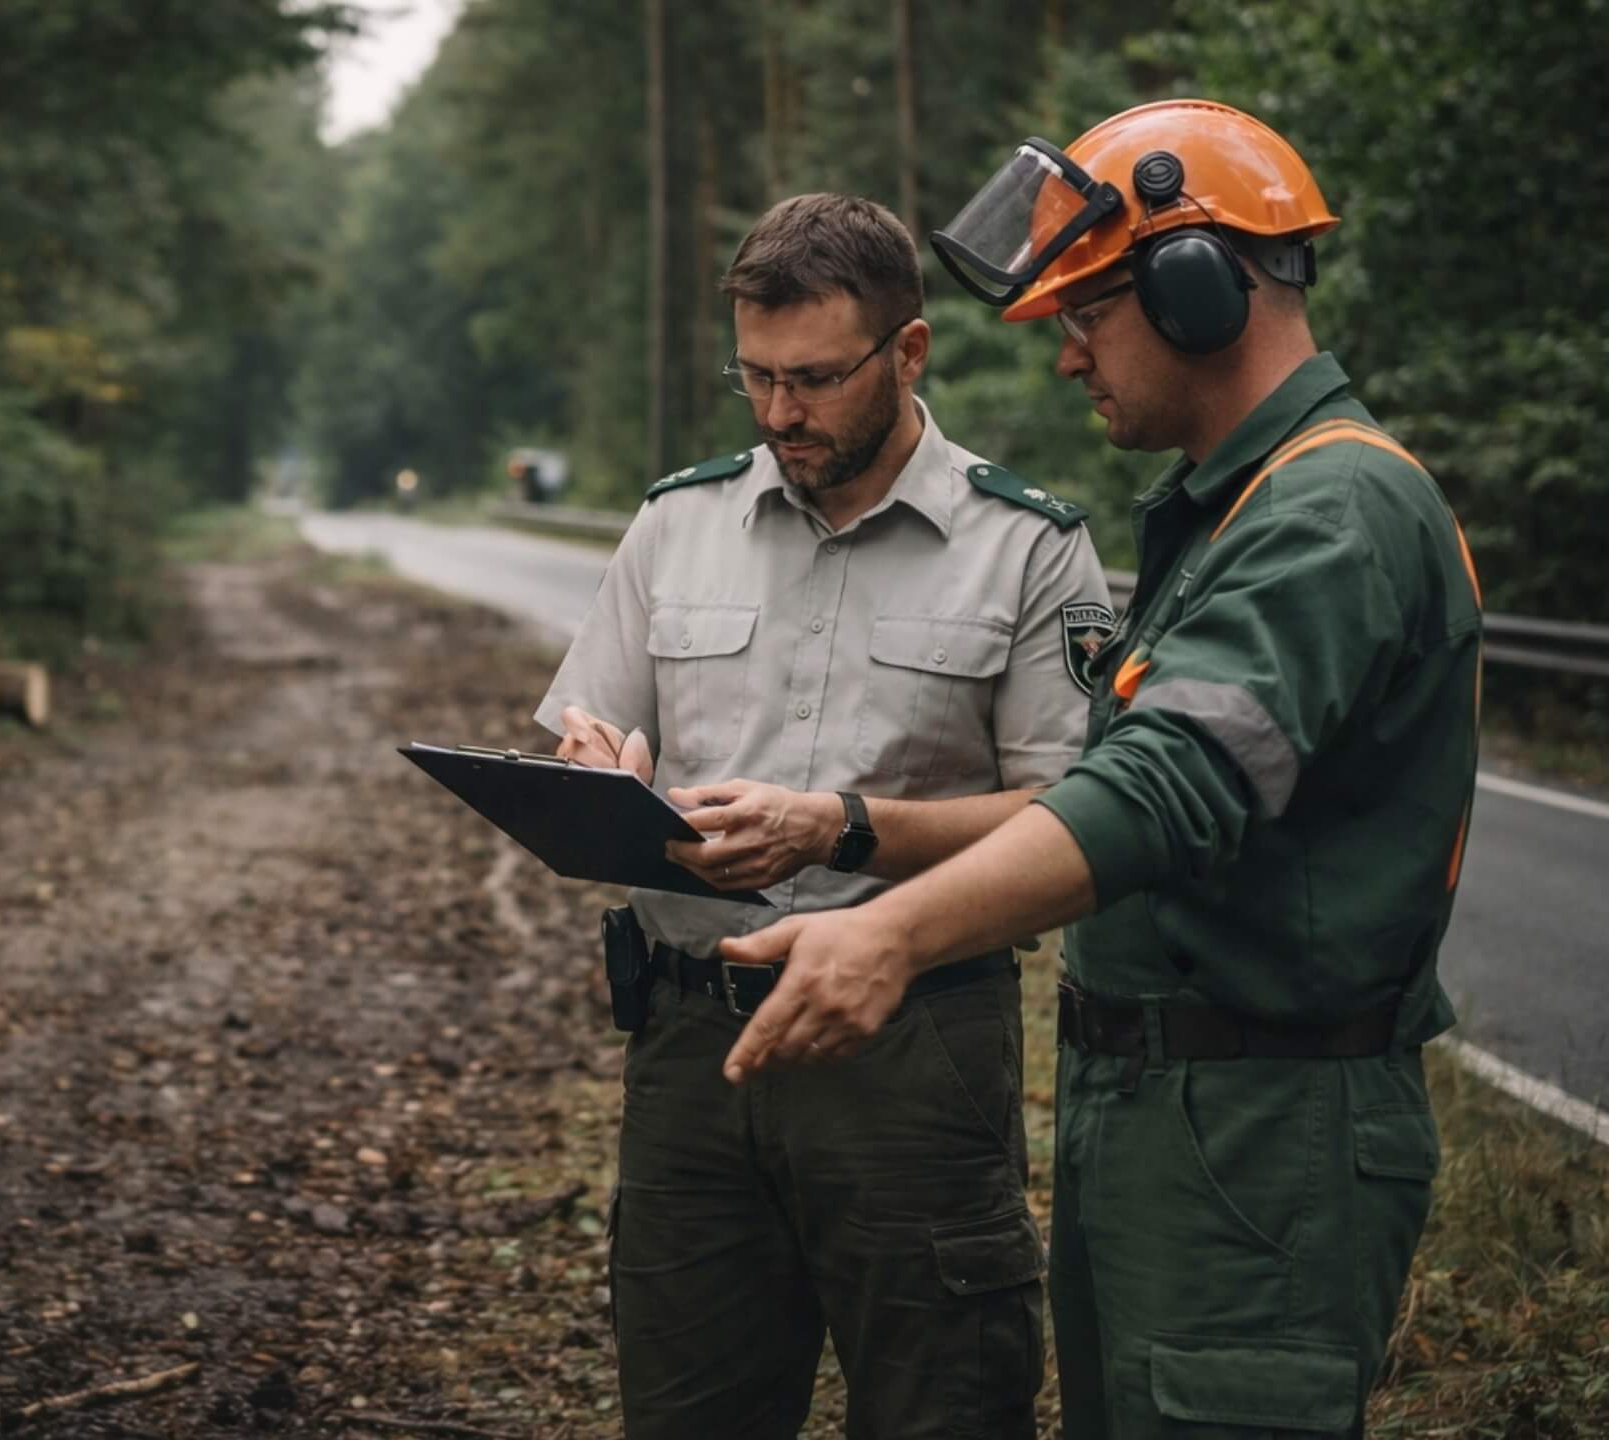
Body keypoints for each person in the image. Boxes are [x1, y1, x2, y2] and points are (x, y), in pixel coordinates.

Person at [722, 101, 1483, 1433]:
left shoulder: (1333, 513)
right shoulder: (1237, 508)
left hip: (1260, 1133)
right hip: (1173, 1115)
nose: (1068, 355)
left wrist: (889, 932)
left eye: (1085, 313)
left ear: (1198, 290)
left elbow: (1161, 788)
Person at [534, 192, 1110, 1437]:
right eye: (754, 377)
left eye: (812, 379)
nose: (779, 413)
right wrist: (594, 771)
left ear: (909, 353)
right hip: (689, 1048)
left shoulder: (1026, 547)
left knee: (940, 1405)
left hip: (913, 1052)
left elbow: (1073, 814)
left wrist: (838, 825)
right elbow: (588, 731)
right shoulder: (676, 522)